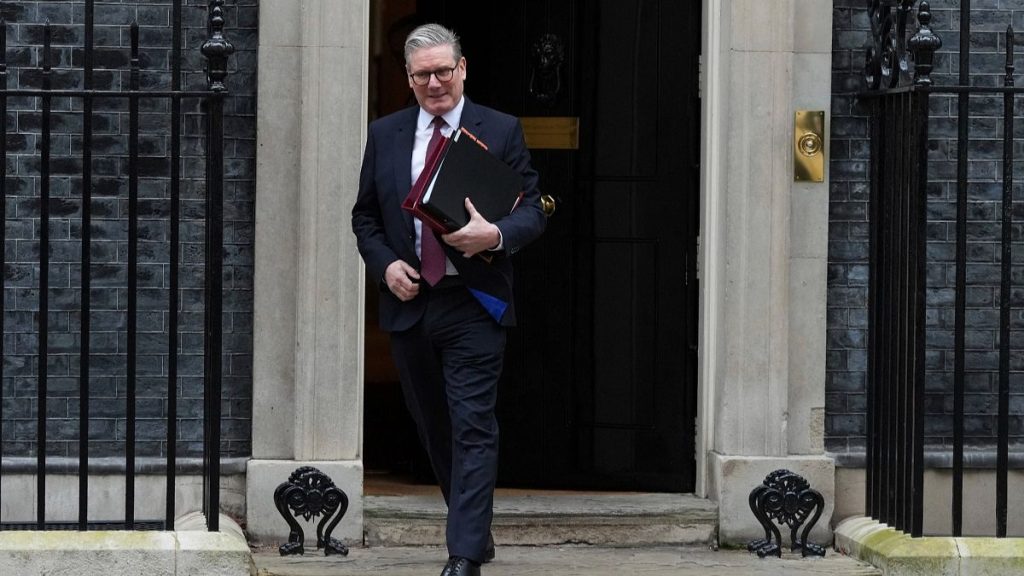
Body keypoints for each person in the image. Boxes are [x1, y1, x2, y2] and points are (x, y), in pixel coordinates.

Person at [351, 23, 546, 576]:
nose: (434, 83)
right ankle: (474, 531)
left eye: (443, 71)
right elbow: (365, 217)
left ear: (462, 68)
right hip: (411, 301)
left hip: (474, 300)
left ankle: (463, 555)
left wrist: (495, 235)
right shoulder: (386, 134)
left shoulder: (500, 129)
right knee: (435, 427)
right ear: (408, 78)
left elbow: (533, 209)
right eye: (422, 75)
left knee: (472, 425)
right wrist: (385, 265)